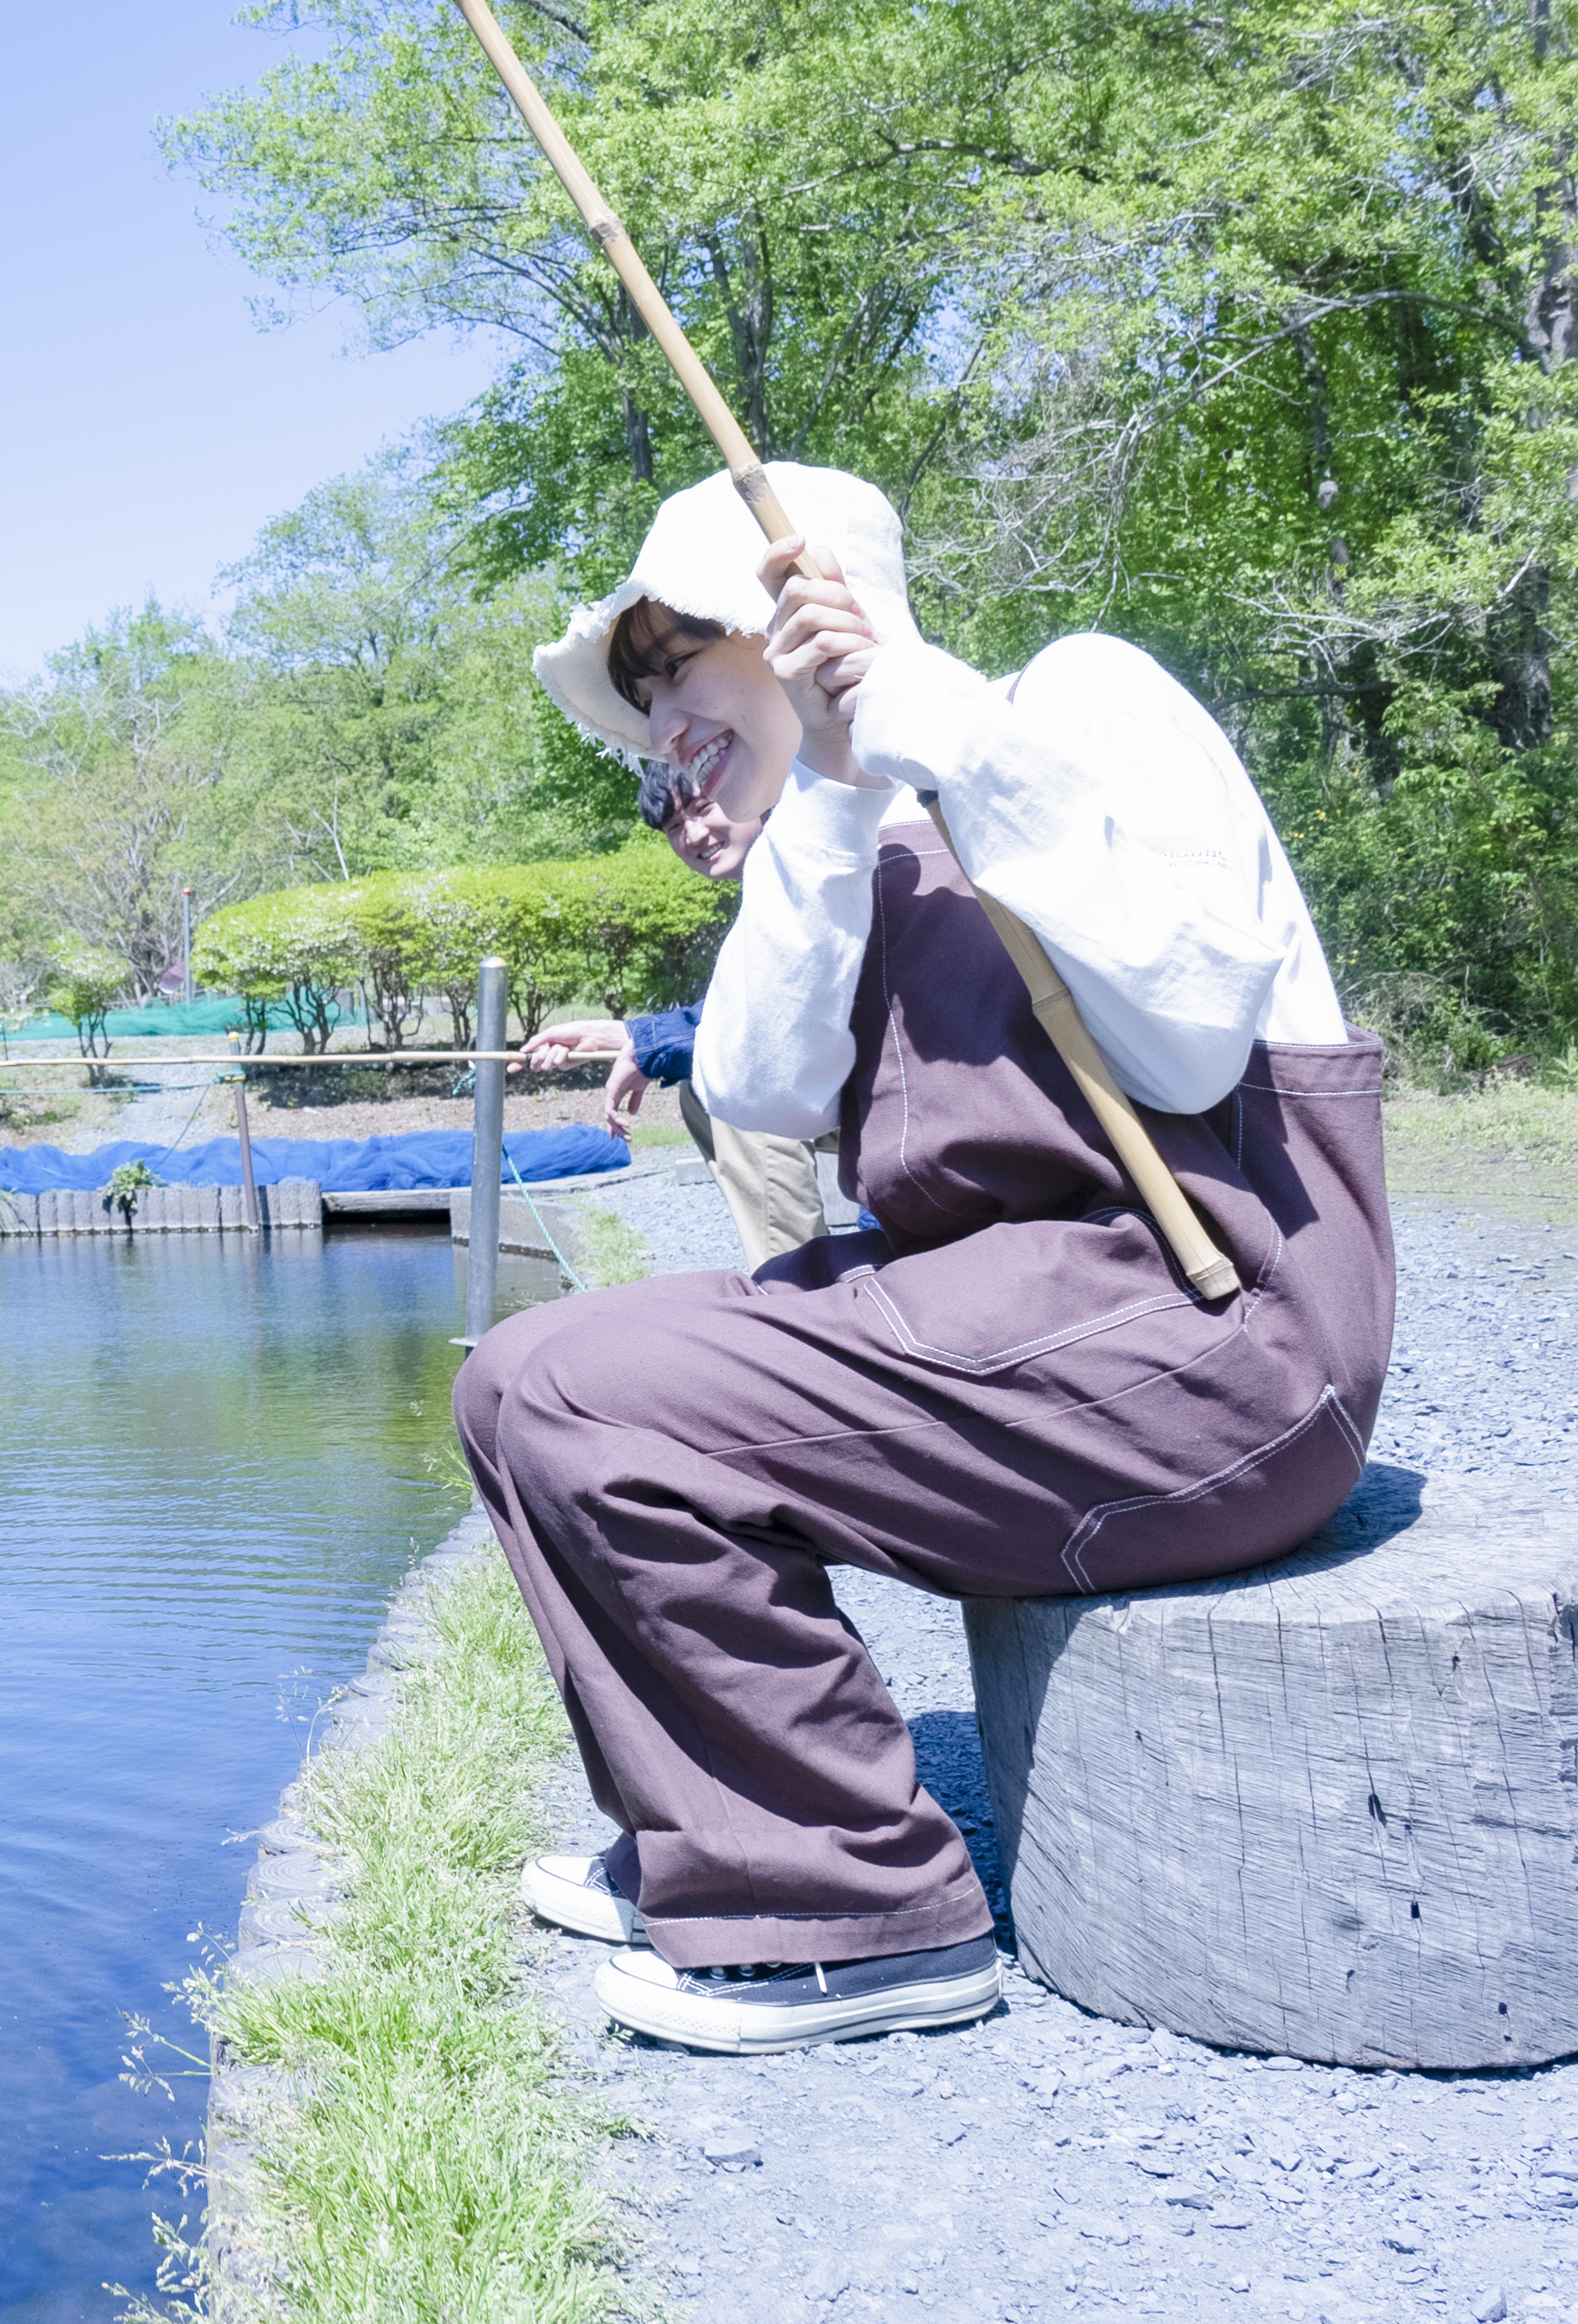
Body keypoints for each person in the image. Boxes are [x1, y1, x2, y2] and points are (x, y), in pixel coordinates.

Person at [458, 461, 1384, 2053]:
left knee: (588, 1395)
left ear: (788, 607)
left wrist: (918, 720)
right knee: (513, 1383)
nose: (665, 726)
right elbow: (753, 1085)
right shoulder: (839, 831)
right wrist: (824, 778)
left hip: (1216, 1326)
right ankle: (710, 1849)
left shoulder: (1072, 705)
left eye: (679, 665)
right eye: (644, 697)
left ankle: (852, 1908)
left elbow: (1178, 1041)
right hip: (1028, 1322)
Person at [516, 762, 824, 1270]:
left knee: (732, 1084)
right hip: (858, 1071)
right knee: (704, 1085)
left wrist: (652, 1044)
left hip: (910, 1084)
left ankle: (806, 1296)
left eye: (704, 809)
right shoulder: (772, 872)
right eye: (675, 827)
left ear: (753, 787)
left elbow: (767, 1016)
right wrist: (615, 1037)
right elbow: (744, 1005)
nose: (694, 834)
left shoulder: (805, 860)